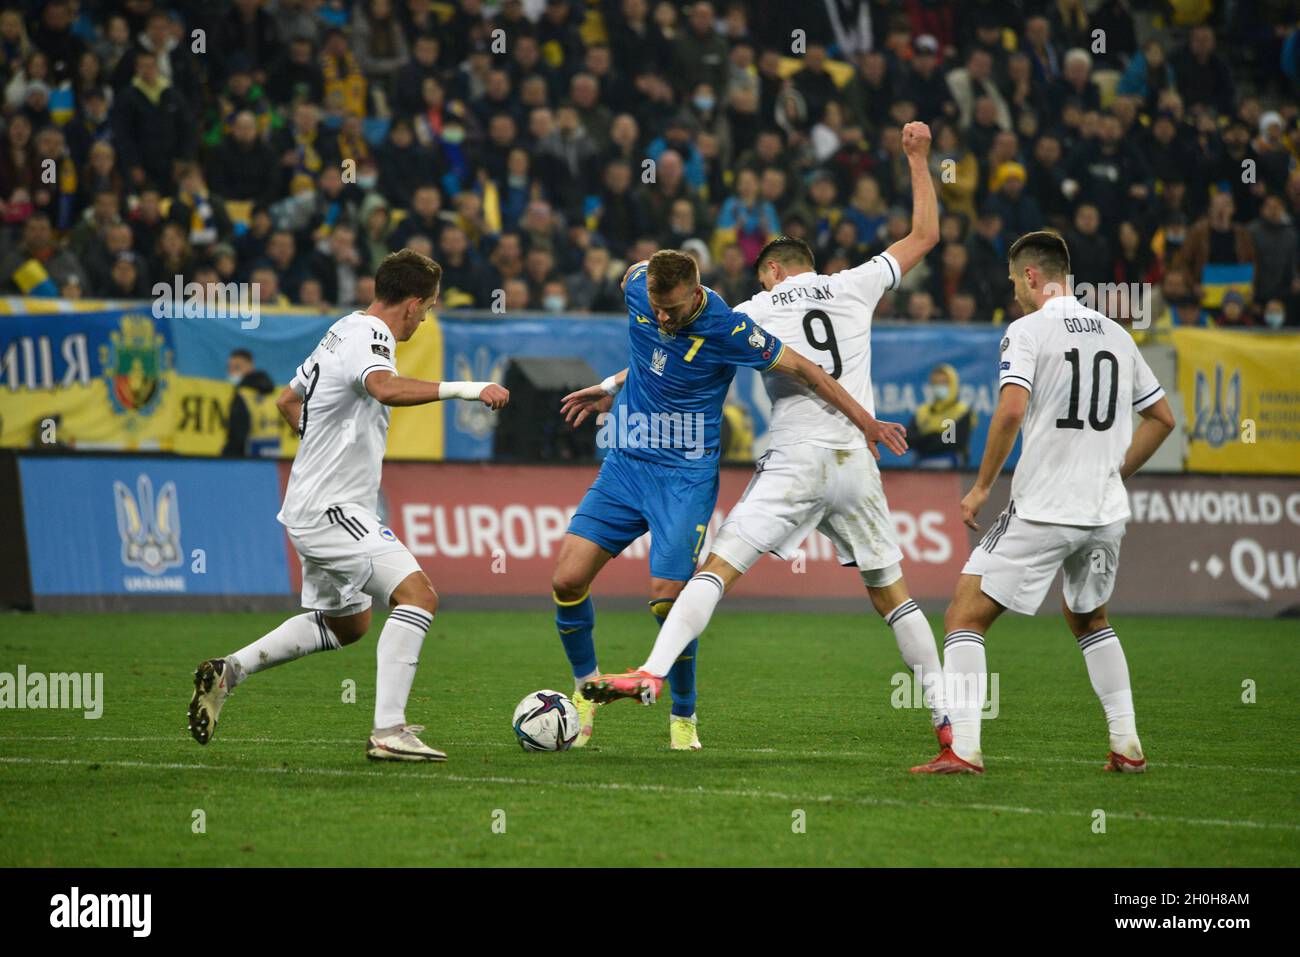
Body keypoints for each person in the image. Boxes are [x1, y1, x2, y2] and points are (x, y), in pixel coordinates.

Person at [578, 123, 946, 764]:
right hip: (856, 463)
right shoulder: (857, 283)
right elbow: (926, 236)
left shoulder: (749, 310)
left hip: (796, 460)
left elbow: (680, 356)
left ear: (772, 270)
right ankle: (949, 721)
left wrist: (612, 383)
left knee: (715, 572)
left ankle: (652, 673)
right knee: (894, 593)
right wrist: (917, 157)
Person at [552, 248, 908, 751]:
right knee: (567, 579)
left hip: (686, 476)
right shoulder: (636, 284)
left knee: (667, 599)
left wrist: (864, 420)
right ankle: (586, 693)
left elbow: (809, 371)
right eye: (656, 305)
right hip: (626, 463)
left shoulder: (732, 328)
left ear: (696, 293)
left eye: (673, 309)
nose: (663, 317)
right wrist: (611, 385)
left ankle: (682, 715)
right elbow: (653, 356)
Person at [187, 250, 510, 762]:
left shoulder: (341, 329)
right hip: (333, 507)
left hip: (312, 503)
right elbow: (382, 388)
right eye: (426, 308)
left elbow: (287, 401)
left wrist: (323, 447)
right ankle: (389, 731)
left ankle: (230, 671)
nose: (424, 319)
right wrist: (469, 389)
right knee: (418, 597)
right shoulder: (371, 336)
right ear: (407, 304)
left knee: (349, 622)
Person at [914, 230, 1175, 775]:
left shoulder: (1027, 330)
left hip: (1045, 507)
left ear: (1032, 277)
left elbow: (1010, 412)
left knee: (964, 614)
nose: (1013, 293)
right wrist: (1113, 469)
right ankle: (1127, 745)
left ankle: (963, 748)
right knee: (1090, 620)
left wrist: (983, 485)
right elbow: (1162, 420)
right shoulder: (1117, 334)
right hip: (1104, 511)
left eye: (1014, 282)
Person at [909, 363, 977, 468]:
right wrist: (937, 436)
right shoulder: (922, 411)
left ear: (953, 384)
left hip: (952, 468)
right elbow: (909, 439)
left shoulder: (963, 411)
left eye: (944, 383)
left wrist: (926, 438)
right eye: (935, 383)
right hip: (921, 465)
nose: (939, 387)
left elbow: (953, 442)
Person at [220, 348, 279, 457]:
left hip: (246, 462)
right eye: (229, 368)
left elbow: (237, 438)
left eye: (237, 367)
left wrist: (224, 458)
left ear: (250, 367)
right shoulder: (271, 394)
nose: (231, 372)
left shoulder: (242, 396)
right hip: (272, 458)